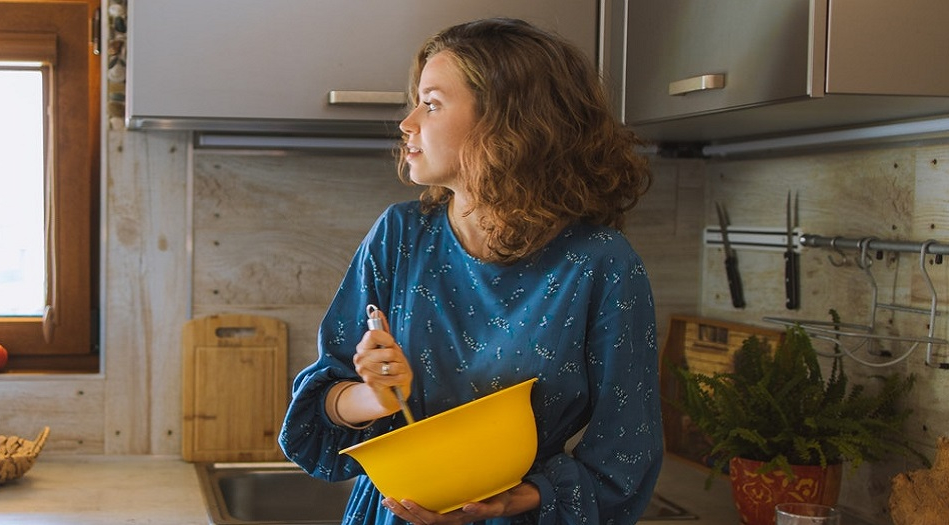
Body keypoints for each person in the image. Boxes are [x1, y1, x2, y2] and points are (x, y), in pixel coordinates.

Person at [278, 17, 662, 525]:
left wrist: (514, 500)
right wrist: (373, 397)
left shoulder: (603, 264)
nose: (407, 122)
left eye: (432, 103)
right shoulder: (399, 235)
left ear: (510, 122)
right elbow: (322, 405)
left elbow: (627, 450)